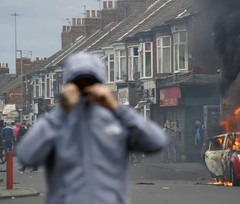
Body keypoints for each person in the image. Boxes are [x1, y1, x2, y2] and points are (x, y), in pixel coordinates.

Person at [16, 52, 167, 204]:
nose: (84, 89)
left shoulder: (115, 121)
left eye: (91, 83)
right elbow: (26, 155)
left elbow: (157, 141)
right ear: (68, 86)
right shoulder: (56, 124)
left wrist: (116, 108)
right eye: (78, 84)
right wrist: (61, 111)